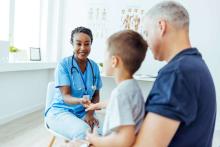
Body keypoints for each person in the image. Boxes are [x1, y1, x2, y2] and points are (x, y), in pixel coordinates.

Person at [133, 1, 216, 147]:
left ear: (161, 27)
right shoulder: (197, 67)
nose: (146, 41)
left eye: (146, 33)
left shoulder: (176, 73)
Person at [86, 30, 148, 147]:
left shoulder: (120, 93)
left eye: (105, 55)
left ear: (114, 61)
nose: (103, 60)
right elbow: (122, 104)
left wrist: (95, 140)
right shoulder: (132, 86)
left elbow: (125, 139)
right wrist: (96, 105)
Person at [45, 26, 103, 140]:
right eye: (78, 44)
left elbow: (96, 94)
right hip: (61, 112)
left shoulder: (94, 67)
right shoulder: (64, 65)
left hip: (84, 112)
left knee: (102, 132)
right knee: (83, 132)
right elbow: (66, 96)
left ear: (91, 44)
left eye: (87, 44)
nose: (83, 48)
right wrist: (80, 101)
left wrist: (90, 113)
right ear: (72, 44)